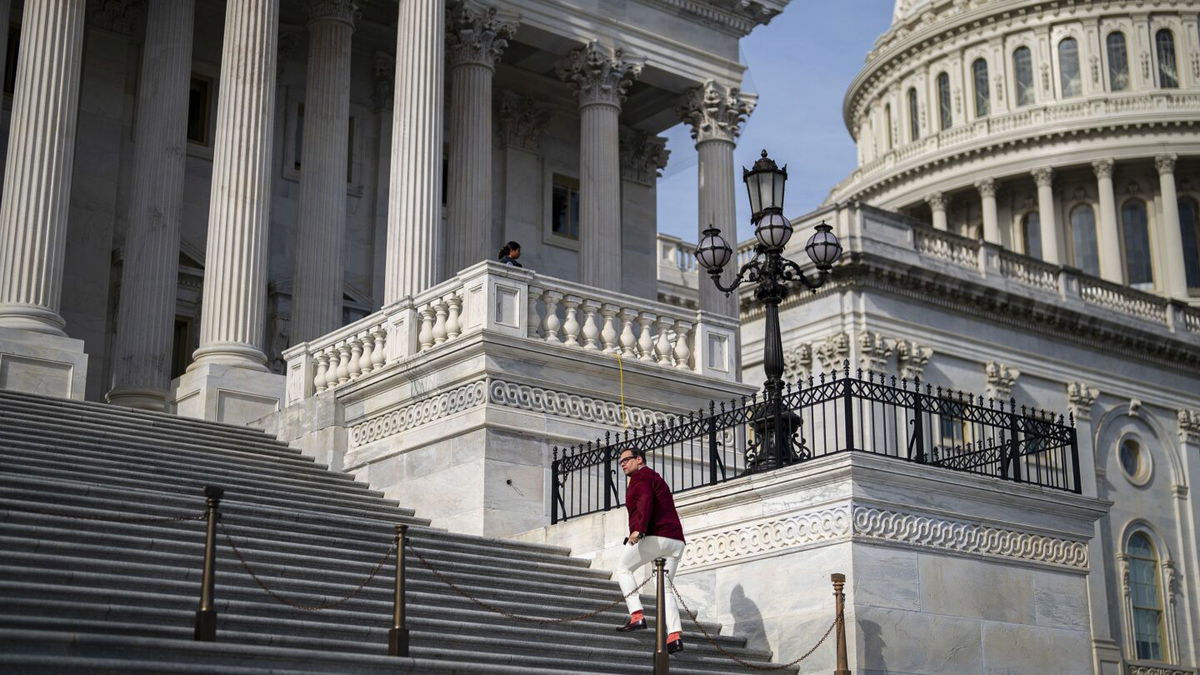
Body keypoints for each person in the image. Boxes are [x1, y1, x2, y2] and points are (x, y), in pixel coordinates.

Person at [613, 447, 686, 655]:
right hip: (676, 541)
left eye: (626, 460)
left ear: (639, 459)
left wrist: (638, 530)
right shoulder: (655, 477)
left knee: (623, 569)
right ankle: (674, 636)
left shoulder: (641, 477)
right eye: (621, 462)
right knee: (666, 587)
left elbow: (645, 501)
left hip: (656, 536)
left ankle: (637, 615)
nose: (623, 464)